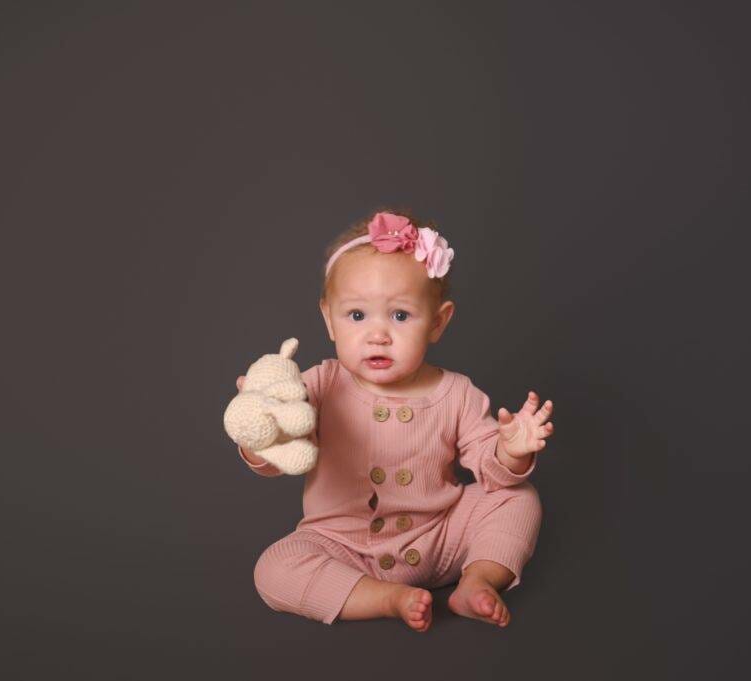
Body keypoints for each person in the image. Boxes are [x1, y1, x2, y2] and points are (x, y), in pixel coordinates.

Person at [234, 209, 554, 631]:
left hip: (439, 538)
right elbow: (285, 449)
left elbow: (491, 470)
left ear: (438, 322)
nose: (378, 334)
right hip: (342, 545)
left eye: (400, 316)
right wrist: (261, 429)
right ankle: (384, 597)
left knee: (519, 497)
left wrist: (509, 451)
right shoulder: (321, 383)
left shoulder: (457, 392)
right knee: (274, 568)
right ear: (329, 319)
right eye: (357, 316)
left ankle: (476, 580)